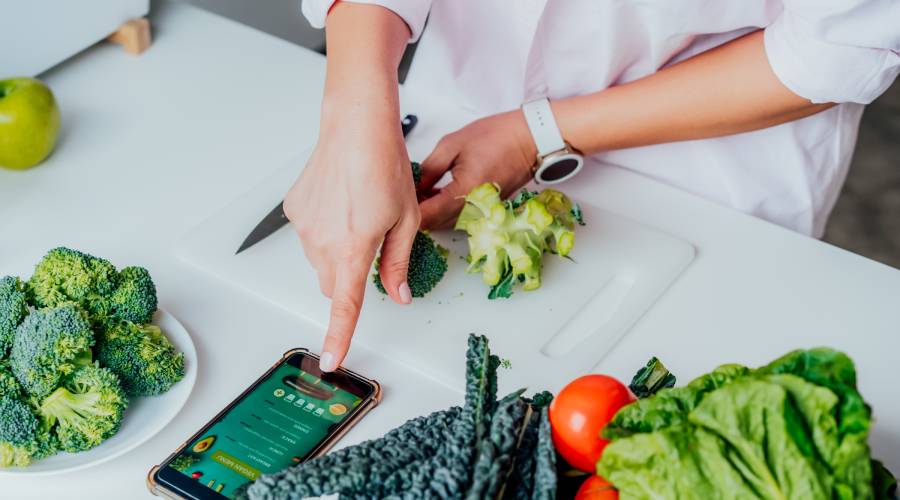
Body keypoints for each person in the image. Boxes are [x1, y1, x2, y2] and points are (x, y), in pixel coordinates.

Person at [283, 0, 900, 372]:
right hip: (461, 98)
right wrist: (354, 111)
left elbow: (834, 47)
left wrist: (535, 135)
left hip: (707, 166)